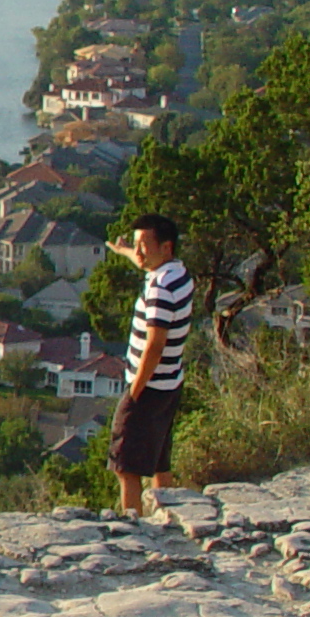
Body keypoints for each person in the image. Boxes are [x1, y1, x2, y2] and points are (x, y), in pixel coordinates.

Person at [108, 213, 192, 516]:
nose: (139, 252)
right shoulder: (177, 274)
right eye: (136, 245)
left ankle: (132, 526)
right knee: (159, 458)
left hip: (149, 387)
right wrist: (124, 251)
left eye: (144, 245)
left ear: (166, 248)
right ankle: (168, 515)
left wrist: (134, 391)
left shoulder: (160, 290)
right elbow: (142, 260)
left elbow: (154, 345)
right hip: (170, 383)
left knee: (126, 466)